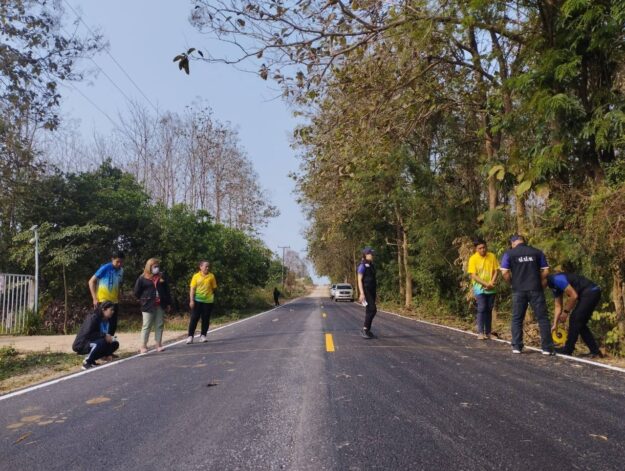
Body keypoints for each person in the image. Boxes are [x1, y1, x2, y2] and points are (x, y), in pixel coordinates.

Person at [500, 235, 555, 355]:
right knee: (543, 318)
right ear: (523, 241)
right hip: (536, 289)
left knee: (517, 318)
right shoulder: (537, 252)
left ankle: (517, 346)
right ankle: (547, 348)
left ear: (513, 243)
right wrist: (538, 280)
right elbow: (546, 271)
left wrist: (512, 283)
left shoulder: (509, 254)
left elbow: (504, 273)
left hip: (518, 290)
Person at [548, 272, 603, 358]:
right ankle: (595, 351)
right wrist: (555, 324)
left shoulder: (557, 279)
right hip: (588, 293)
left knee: (575, 319)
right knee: (580, 324)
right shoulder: (553, 286)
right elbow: (558, 306)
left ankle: (568, 349)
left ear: (544, 279)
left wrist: (565, 312)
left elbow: (574, 296)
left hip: (591, 291)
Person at [134, 258, 171, 353]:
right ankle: (143, 346)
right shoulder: (142, 278)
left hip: (160, 304)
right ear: (149, 267)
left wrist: (168, 303)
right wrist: (144, 299)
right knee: (146, 325)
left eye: (158, 266)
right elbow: (137, 292)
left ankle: (158, 345)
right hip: (147, 305)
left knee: (159, 325)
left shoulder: (161, 277)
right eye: (155, 266)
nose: (157, 268)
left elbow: (167, 291)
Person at [467, 238, 500, 340]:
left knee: (489, 309)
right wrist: (486, 284)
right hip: (479, 287)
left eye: (484, 247)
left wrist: (491, 282)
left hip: (491, 287)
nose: (482, 250)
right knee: (482, 308)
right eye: (480, 248)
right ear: (476, 249)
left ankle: (488, 332)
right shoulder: (473, 259)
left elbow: (496, 270)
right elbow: (473, 275)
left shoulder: (492, 256)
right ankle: (481, 332)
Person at [72, 301, 120, 370]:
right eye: (111, 310)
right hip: (82, 344)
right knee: (102, 342)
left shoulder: (108, 320)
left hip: (95, 341)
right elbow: (88, 334)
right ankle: (87, 362)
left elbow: (105, 335)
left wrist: (108, 351)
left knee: (115, 343)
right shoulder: (93, 317)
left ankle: (97, 359)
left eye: (113, 310)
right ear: (103, 309)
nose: (113, 312)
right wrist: (104, 335)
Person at [88, 250, 124, 336]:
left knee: (112, 326)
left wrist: (119, 295)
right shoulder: (105, 268)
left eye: (121, 262)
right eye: (117, 261)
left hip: (114, 302)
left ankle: (109, 343)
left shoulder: (121, 270)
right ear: (112, 259)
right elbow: (91, 281)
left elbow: (118, 284)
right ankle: (100, 342)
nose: (119, 264)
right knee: (101, 327)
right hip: (103, 301)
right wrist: (94, 298)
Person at [186, 261, 217, 344]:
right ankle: (190, 336)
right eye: (206, 266)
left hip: (208, 301)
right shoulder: (196, 276)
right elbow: (192, 289)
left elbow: (214, 288)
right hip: (197, 301)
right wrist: (191, 300)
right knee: (194, 318)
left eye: (208, 266)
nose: (207, 268)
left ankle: (203, 335)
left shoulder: (211, 276)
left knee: (205, 319)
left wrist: (210, 296)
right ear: (201, 267)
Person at [357, 247, 377, 339]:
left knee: (369, 310)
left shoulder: (371, 265)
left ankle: (367, 330)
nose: (372, 255)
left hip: (372, 290)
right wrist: (362, 293)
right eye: (371, 254)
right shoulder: (362, 266)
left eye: (373, 254)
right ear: (365, 255)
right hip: (366, 290)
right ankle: (365, 329)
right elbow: (359, 280)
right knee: (372, 309)